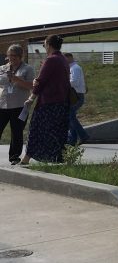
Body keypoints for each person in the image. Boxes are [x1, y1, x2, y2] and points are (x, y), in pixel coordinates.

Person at [20, 35, 70, 165]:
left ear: (49, 45)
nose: (44, 48)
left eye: (44, 45)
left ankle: (26, 159)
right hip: (61, 102)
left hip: (48, 102)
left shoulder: (51, 60)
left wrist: (31, 98)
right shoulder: (63, 59)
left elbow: (40, 82)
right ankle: (56, 158)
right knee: (56, 132)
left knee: (36, 129)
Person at [0, 44, 35, 164]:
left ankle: (14, 157)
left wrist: (16, 79)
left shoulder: (27, 69)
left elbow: (31, 86)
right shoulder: (3, 68)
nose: (11, 58)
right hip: (3, 104)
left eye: (14, 56)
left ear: (20, 56)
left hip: (19, 105)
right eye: (9, 55)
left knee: (17, 132)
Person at [64, 52, 89, 146]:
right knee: (70, 116)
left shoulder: (75, 68)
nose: (64, 61)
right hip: (74, 95)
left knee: (70, 116)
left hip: (77, 95)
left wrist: (63, 82)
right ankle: (73, 139)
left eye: (65, 58)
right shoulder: (72, 68)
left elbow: (74, 82)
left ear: (70, 58)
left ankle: (83, 136)